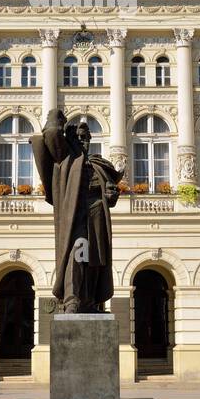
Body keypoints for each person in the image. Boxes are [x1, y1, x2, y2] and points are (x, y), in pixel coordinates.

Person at [31, 109, 122, 313]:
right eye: (79, 138)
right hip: (75, 216)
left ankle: (89, 302)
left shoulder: (99, 165)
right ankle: (72, 300)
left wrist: (110, 197)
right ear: (72, 139)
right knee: (76, 254)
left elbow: (110, 194)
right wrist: (57, 116)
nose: (83, 141)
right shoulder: (66, 158)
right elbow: (52, 133)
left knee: (95, 260)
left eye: (86, 138)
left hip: (97, 216)